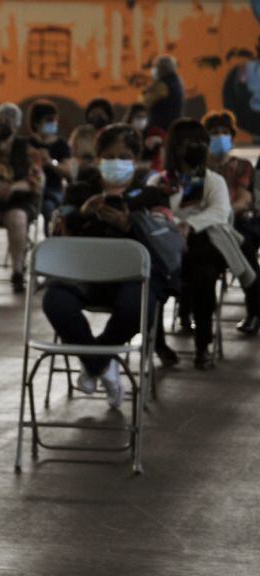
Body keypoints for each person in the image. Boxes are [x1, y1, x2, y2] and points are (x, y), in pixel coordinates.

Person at [44, 124, 160, 406]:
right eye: (109, 156)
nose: (116, 162)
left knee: (139, 307)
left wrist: (129, 225)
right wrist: (82, 215)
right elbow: (59, 237)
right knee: (55, 301)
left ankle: (95, 361)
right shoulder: (79, 191)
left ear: (135, 158)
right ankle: (103, 364)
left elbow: (157, 249)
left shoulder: (150, 194)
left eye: (124, 156)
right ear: (97, 158)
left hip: (130, 280)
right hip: (82, 277)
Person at [148, 119, 232, 369]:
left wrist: (190, 224)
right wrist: (174, 226)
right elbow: (152, 211)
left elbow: (220, 212)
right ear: (176, 147)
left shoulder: (212, 181)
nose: (197, 148)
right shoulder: (159, 181)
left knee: (204, 276)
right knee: (151, 278)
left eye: (201, 143)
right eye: (190, 143)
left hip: (202, 245)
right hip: (166, 246)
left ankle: (202, 346)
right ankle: (159, 345)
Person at [0, 102, 44, 293]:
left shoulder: (27, 147)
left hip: (19, 198)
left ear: (17, 124)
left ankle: (18, 272)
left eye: (8, 121)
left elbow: (35, 181)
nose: (3, 124)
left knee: (17, 218)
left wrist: (12, 187)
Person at [203, 109, 259, 334]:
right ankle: (188, 314)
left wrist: (224, 211)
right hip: (206, 223)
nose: (219, 137)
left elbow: (245, 198)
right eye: (214, 132)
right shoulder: (200, 169)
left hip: (233, 222)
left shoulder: (242, 166)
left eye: (224, 132)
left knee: (244, 248)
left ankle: (255, 311)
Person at [28, 99, 72, 235]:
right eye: (49, 120)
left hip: (52, 192)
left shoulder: (61, 145)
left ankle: (51, 242)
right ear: (37, 122)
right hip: (30, 190)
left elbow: (68, 172)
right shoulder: (27, 143)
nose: (53, 123)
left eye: (54, 120)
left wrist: (50, 162)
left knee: (49, 209)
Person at [144, 54, 185, 132]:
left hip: (160, 127)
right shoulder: (177, 82)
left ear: (162, 69)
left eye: (155, 67)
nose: (153, 70)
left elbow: (146, 102)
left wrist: (147, 92)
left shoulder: (162, 85)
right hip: (174, 124)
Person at [124, 103, 165, 174]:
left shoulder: (153, 132)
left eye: (144, 117)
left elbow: (167, 139)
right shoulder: (124, 133)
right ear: (131, 118)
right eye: (138, 117)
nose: (141, 120)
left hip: (151, 171)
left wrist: (160, 140)